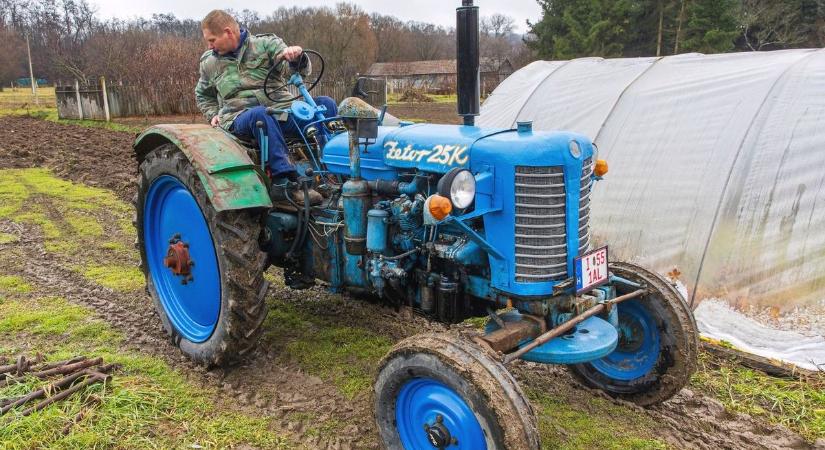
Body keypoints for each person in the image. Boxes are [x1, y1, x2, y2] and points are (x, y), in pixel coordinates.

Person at [195, 9, 334, 203]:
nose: (210, 46)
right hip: (241, 117)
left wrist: (295, 58)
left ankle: (332, 173)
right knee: (261, 115)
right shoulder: (210, 62)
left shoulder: (266, 44)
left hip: (282, 111)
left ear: (228, 32)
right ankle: (285, 183)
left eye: (212, 40)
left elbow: (293, 70)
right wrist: (212, 114)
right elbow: (202, 93)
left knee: (325, 105)